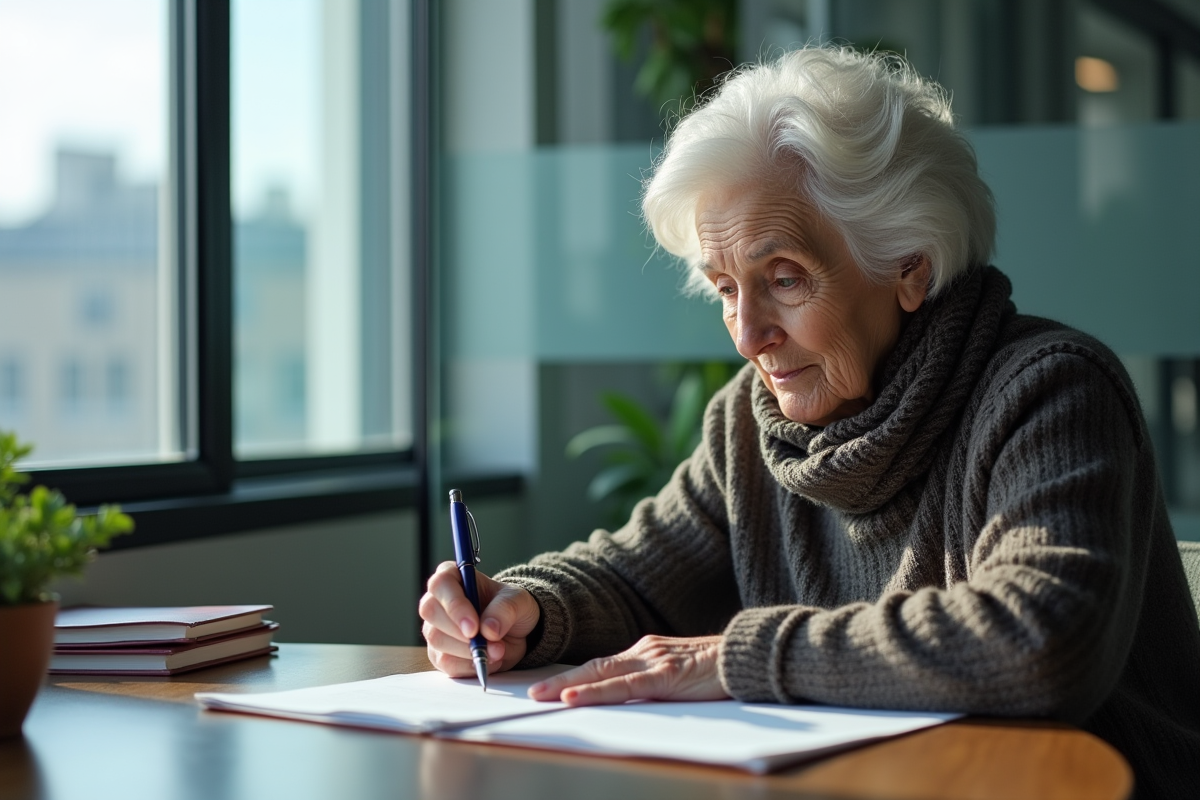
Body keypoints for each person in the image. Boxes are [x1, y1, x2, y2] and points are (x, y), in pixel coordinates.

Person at [419, 46, 1200, 796]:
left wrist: (741, 655)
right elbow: (634, 580)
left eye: (784, 278)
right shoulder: (752, 427)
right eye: (725, 287)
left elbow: (1042, 643)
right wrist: (522, 608)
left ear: (909, 268)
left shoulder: (1051, 390)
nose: (747, 333)